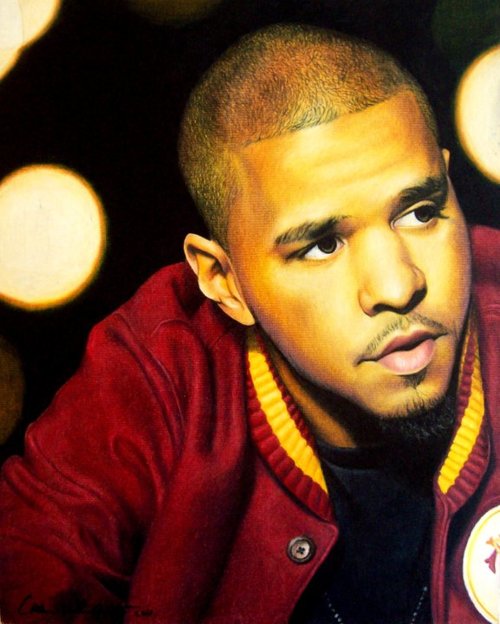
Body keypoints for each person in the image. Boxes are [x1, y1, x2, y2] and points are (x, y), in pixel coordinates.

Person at [0, 23, 499, 624]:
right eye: (321, 245)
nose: (398, 286)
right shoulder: (158, 375)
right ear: (224, 282)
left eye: (419, 212)